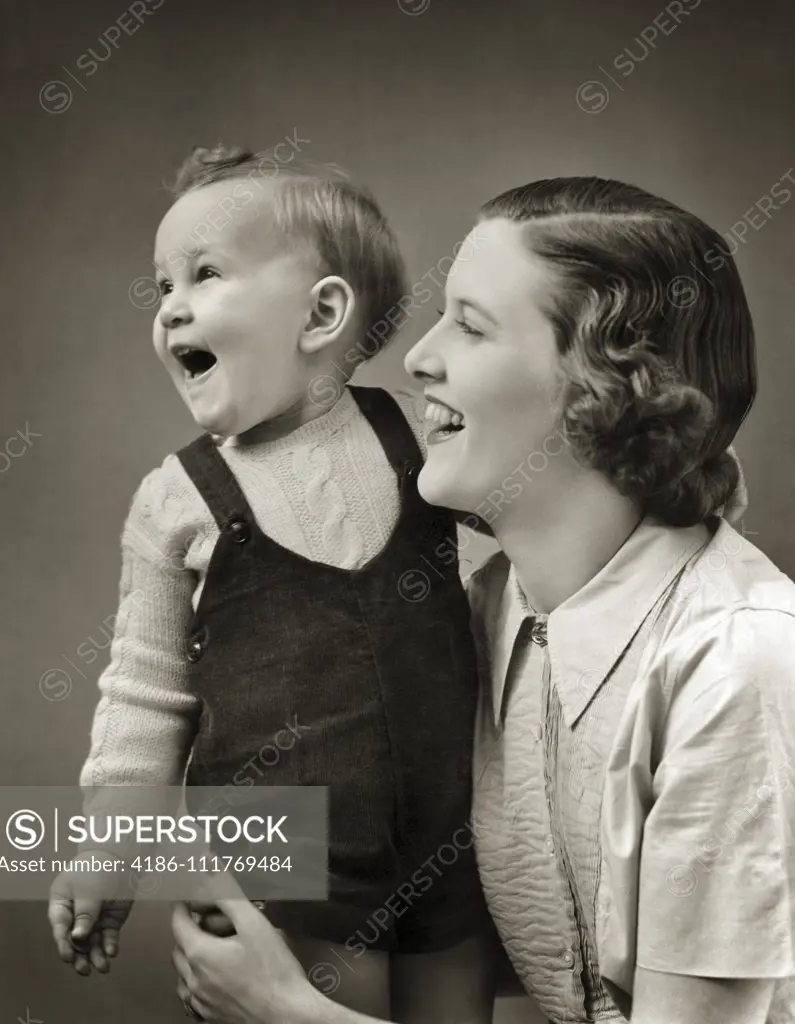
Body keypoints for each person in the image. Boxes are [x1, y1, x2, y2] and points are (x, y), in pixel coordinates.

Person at [171, 176, 795, 1024]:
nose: (419, 357)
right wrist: (90, 847)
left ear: (602, 383)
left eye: (470, 325)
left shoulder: (738, 665)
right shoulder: (485, 616)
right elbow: (372, 857)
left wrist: (288, 1013)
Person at [47, 145, 495, 1023]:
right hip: (280, 872)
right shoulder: (176, 501)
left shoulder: (422, 438)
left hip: (454, 846)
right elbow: (144, 692)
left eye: (204, 274)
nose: (170, 305)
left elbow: (534, 546)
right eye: (162, 283)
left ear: (322, 313)